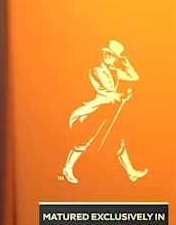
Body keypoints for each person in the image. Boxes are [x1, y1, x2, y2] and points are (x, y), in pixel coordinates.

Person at [62, 40, 148, 183]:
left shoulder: (116, 72)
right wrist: (120, 96)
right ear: (104, 55)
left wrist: (126, 64)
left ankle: (131, 172)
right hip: (96, 110)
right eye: (108, 55)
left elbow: (135, 77)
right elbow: (102, 92)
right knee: (84, 140)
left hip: (110, 112)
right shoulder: (96, 71)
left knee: (119, 141)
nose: (110, 58)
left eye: (113, 56)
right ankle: (68, 168)